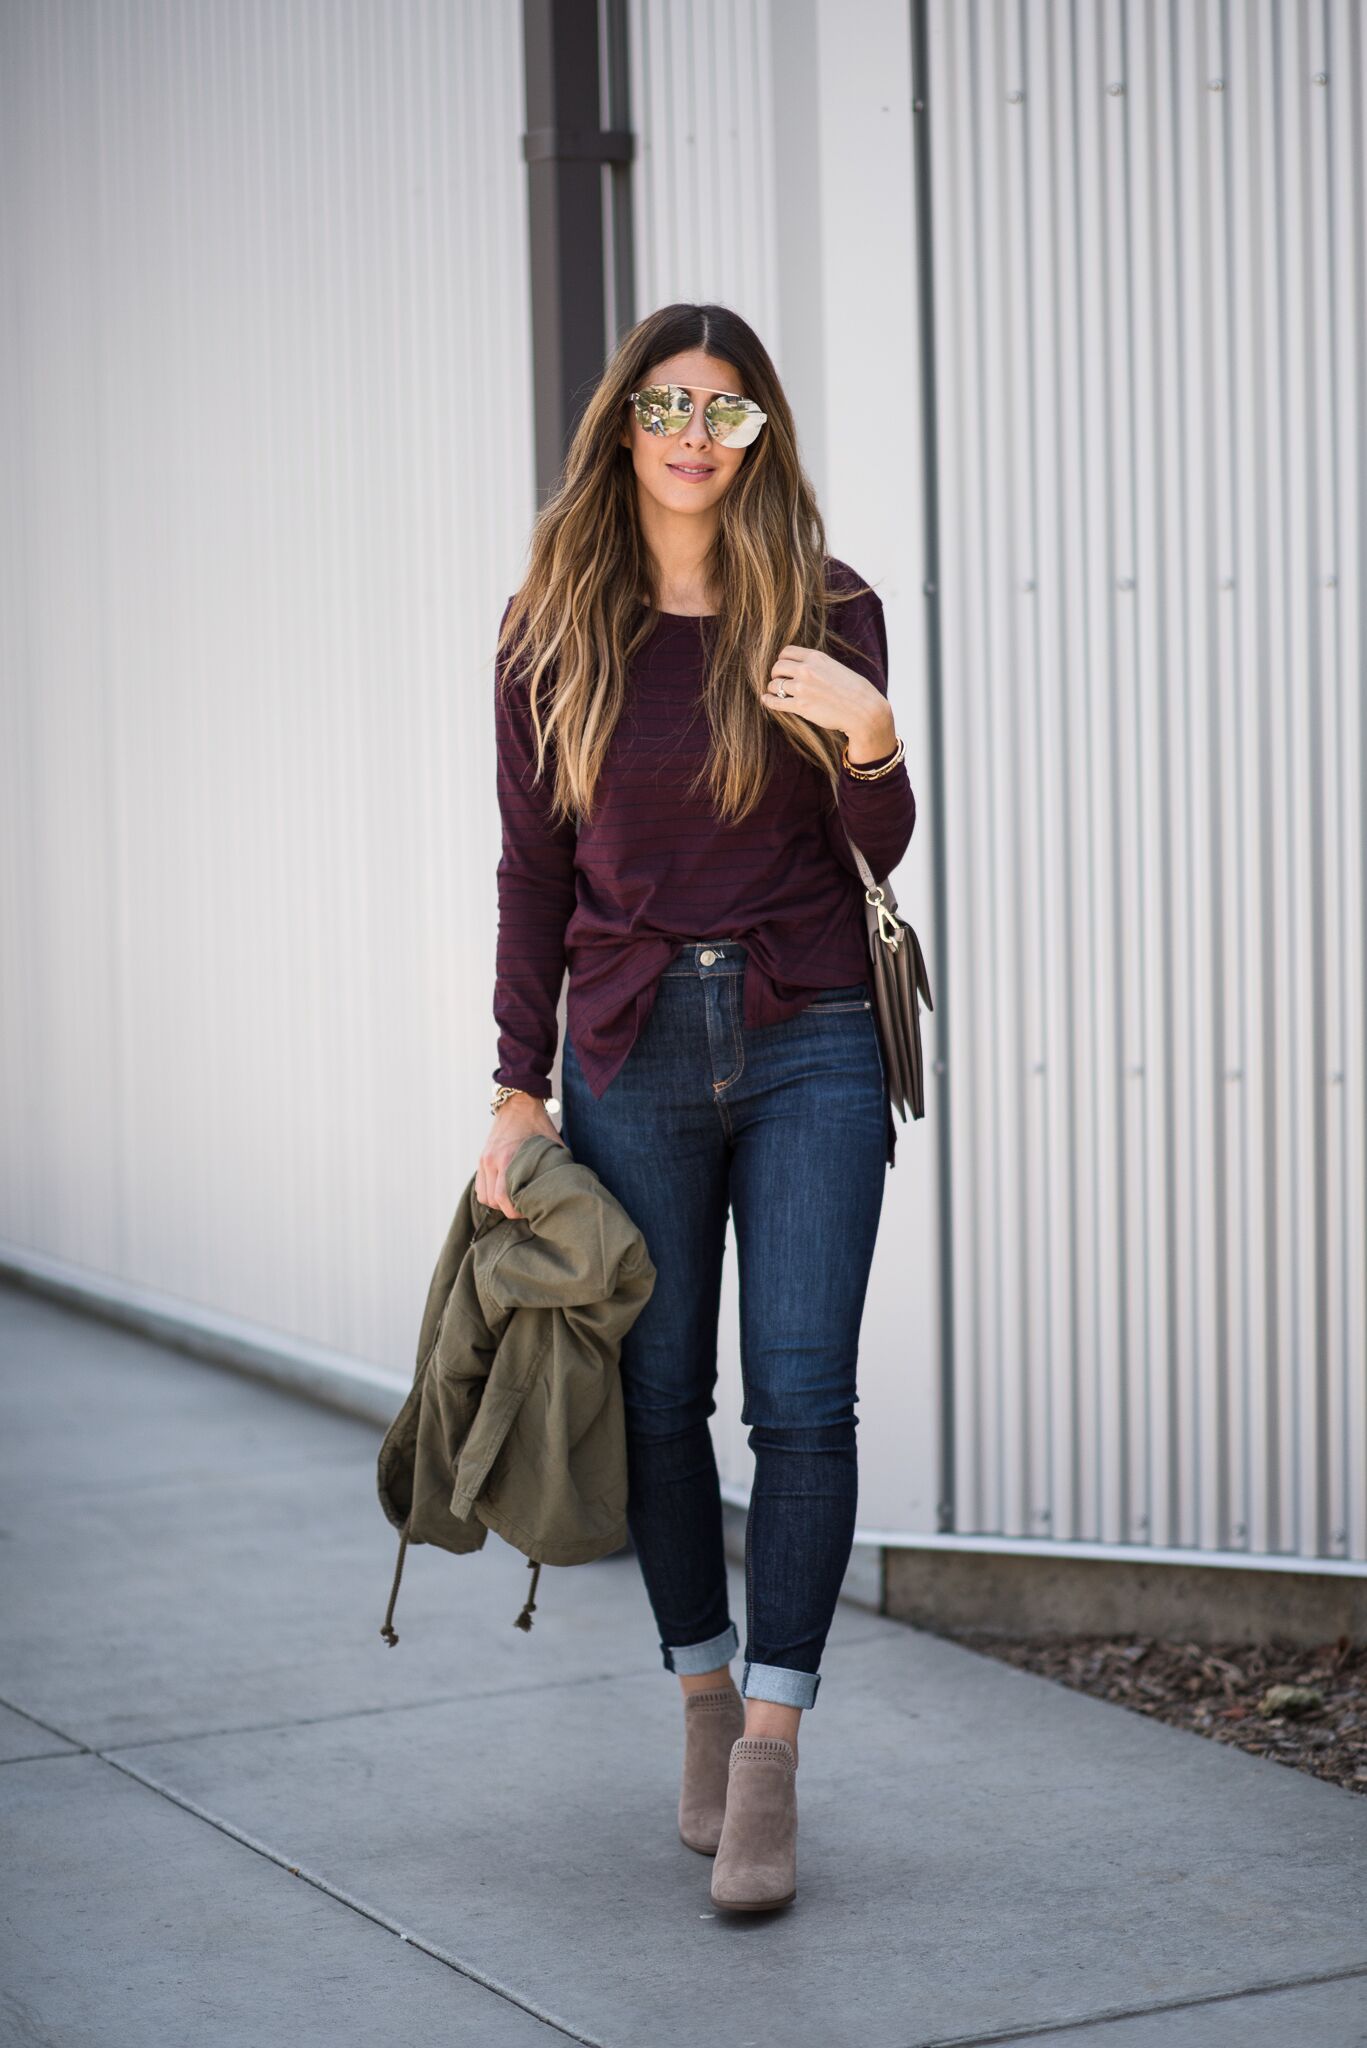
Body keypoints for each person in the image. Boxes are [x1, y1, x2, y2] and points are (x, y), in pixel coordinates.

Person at [475, 302, 916, 1912]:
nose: (691, 433)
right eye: (667, 403)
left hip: (809, 1038)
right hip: (629, 1044)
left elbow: (880, 838)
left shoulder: (827, 605)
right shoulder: (553, 628)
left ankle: (773, 1762)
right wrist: (516, 1092)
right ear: (625, 422)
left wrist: (874, 741)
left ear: (759, 438)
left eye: (724, 412)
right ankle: (703, 1697)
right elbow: (533, 879)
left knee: (802, 1404)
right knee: (659, 1400)